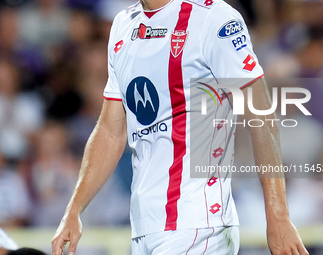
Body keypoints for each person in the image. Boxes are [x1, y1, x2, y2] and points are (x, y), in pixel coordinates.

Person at [52, 0, 309, 254]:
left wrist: (278, 217)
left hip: (199, 224)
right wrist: (74, 209)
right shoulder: (123, 25)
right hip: (144, 227)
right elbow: (110, 130)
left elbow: (262, 117)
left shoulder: (213, 18)